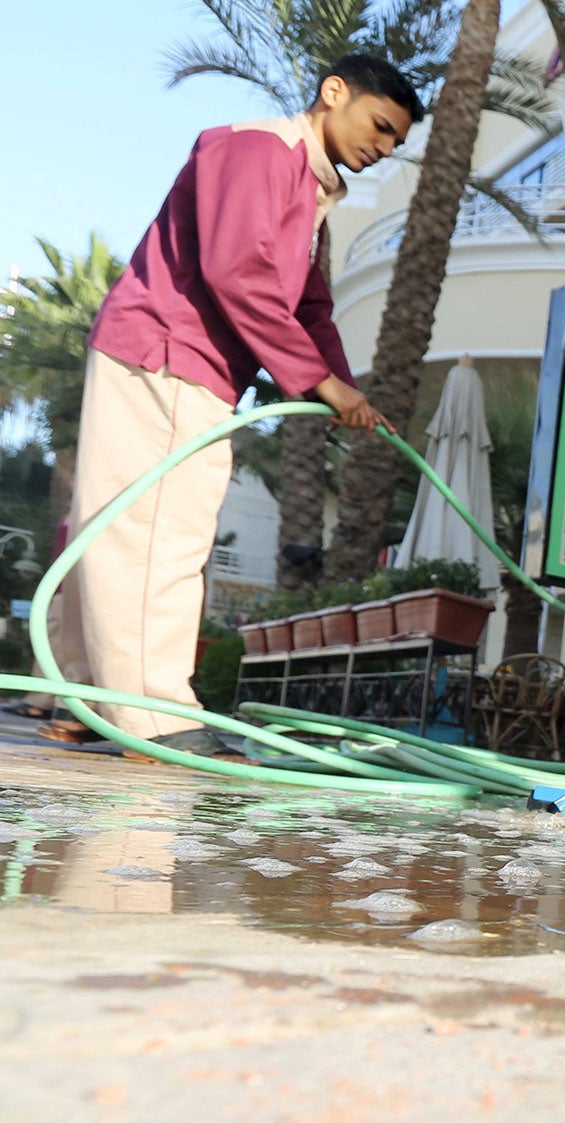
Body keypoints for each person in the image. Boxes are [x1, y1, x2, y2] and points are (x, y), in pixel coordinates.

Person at [44, 54, 416, 758]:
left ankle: (89, 700)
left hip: (175, 357)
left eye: (396, 141)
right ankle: (152, 716)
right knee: (161, 532)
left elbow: (310, 308)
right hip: (170, 354)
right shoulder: (257, 149)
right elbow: (233, 268)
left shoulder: (311, 192)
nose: (385, 147)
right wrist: (320, 383)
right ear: (333, 93)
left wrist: (343, 390)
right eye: (380, 125)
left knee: (113, 526)